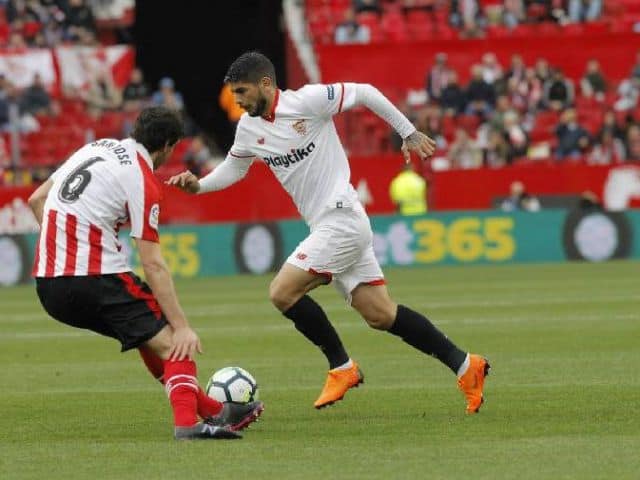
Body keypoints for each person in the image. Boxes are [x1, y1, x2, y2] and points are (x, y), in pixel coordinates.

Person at [168, 52, 490, 414]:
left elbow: (365, 92)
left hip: (342, 217)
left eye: (242, 91)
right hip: (329, 225)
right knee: (380, 314)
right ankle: (466, 365)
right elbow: (234, 168)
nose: (238, 101)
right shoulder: (248, 128)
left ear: (266, 85)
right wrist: (200, 186)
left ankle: (341, 366)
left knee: (282, 292)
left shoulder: (307, 101)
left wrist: (408, 132)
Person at [27, 106, 264, 440]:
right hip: (94, 277)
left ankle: (214, 410)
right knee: (173, 342)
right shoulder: (142, 178)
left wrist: (65, 250)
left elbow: (37, 198)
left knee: (148, 335)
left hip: (48, 286)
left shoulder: (94, 148)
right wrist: (182, 326)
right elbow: (152, 262)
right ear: (168, 146)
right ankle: (188, 425)